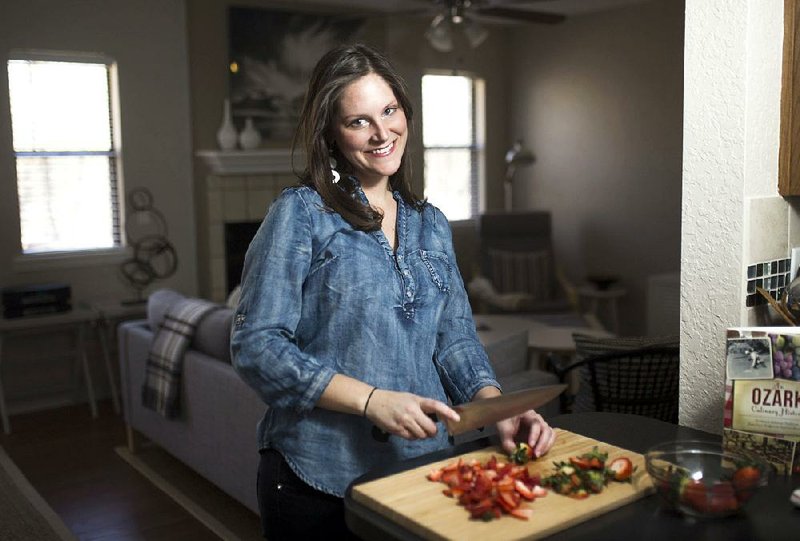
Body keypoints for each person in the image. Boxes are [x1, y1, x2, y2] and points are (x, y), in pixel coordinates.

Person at [230, 43, 556, 540]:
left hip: (422, 472)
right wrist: (371, 400)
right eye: (358, 121)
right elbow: (257, 346)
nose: (382, 133)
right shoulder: (301, 214)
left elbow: (455, 341)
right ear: (332, 134)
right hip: (317, 479)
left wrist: (498, 409)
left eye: (389, 111)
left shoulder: (432, 225)